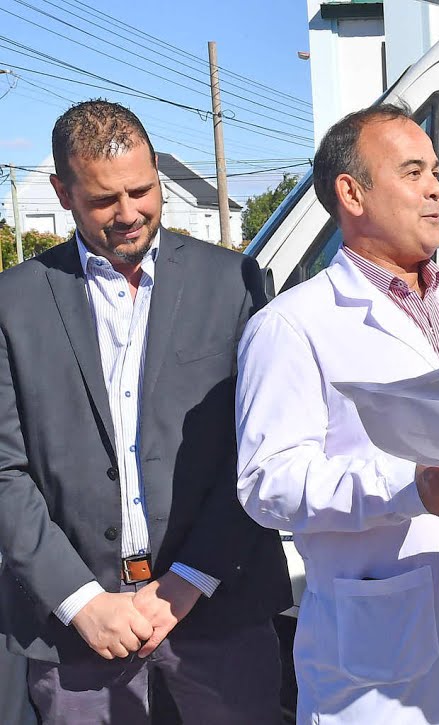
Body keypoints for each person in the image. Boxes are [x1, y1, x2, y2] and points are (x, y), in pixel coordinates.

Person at [233, 104, 439, 725]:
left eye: (436, 172)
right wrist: (407, 487)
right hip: (385, 668)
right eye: (413, 172)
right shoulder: (291, 325)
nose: (437, 188)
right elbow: (267, 484)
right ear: (352, 194)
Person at [0, 99, 290, 722]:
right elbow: (5, 470)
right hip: (77, 634)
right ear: (63, 192)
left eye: (142, 190)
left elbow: (258, 447)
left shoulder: (235, 283)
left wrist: (191, 578)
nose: (129, 214)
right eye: (104, 200)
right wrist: (80, 601)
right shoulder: (13, 303)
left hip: (219, 608)